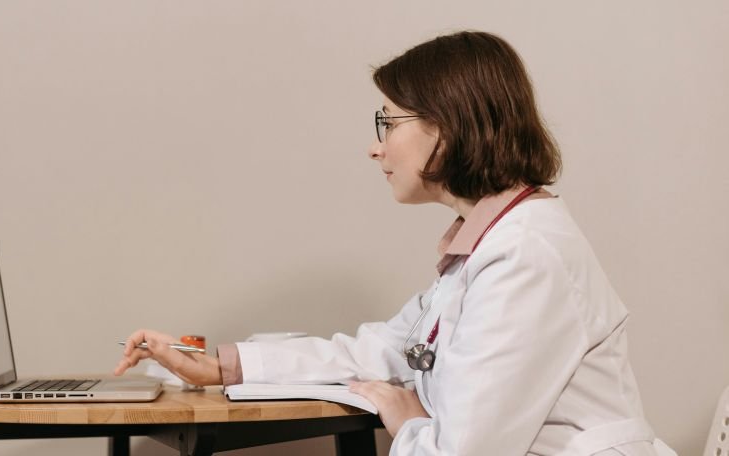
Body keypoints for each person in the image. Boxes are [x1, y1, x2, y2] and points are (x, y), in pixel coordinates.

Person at [115, 31, 674, 455]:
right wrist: (220, 367)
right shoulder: (491, 243)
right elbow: (385, 349)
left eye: (390, 122)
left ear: (448, 128)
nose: (376, 147)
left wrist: (409, 424)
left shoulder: (526, 255)